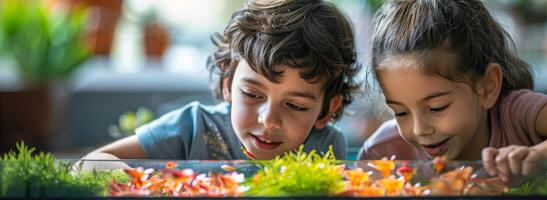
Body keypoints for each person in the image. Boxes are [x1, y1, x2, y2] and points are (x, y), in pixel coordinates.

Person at [358, 0, 547, 184]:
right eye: (400, 112)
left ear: (487, 86)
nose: (419, 129)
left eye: (437, 107)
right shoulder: (383, 153)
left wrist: (538, 157)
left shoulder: (514, 114)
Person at [84, 0, 358, 161]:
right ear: (228, 82)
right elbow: (95, 162)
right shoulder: (190, 128)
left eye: (296, 106)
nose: (268, 120)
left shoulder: (328, 146)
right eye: (252, 94)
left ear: (327, 109)